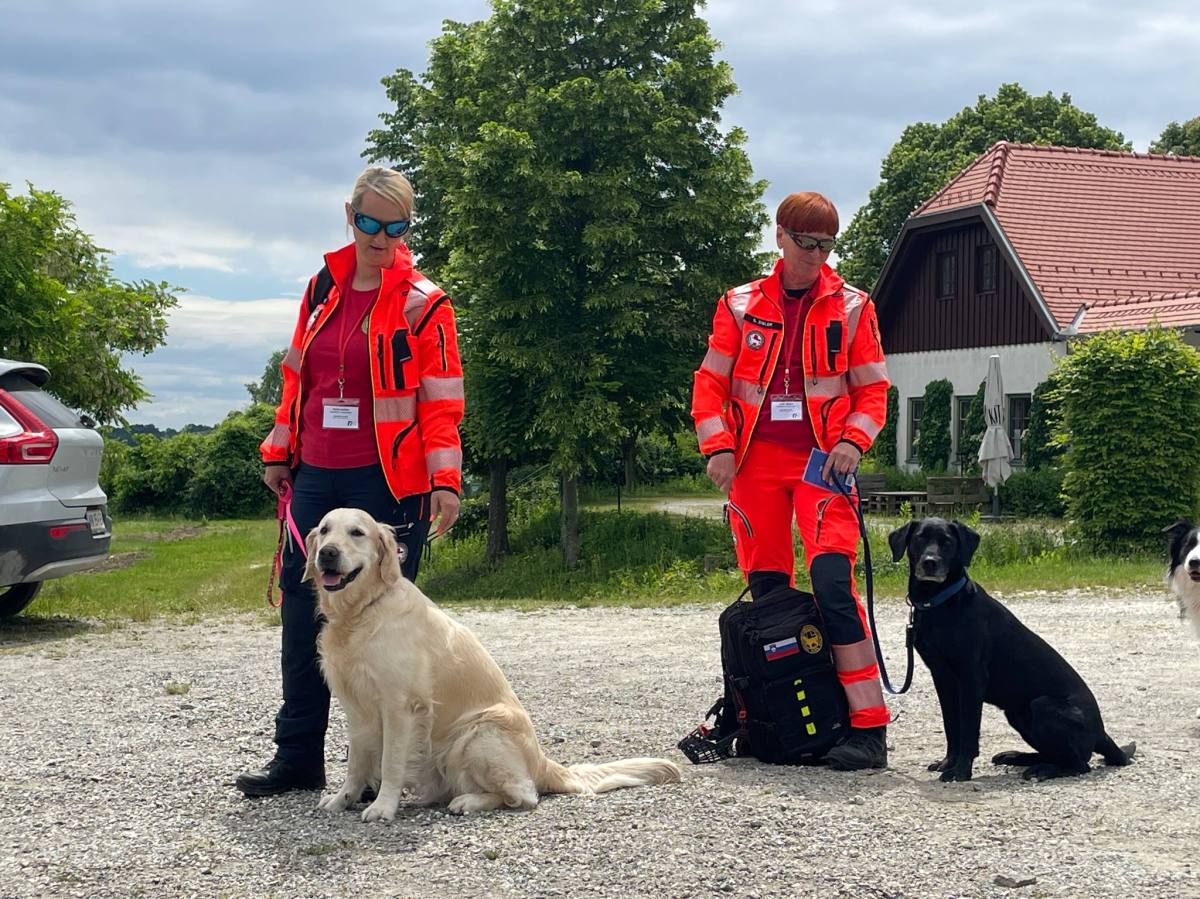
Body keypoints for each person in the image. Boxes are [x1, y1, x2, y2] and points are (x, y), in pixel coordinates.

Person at [236, 166, 464, 797]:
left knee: (386, 630)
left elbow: (442, 401)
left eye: (396, 227)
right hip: (315, 476)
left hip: (388, 479)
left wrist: (445, 477)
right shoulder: (322, 288)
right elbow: (296, 379)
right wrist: (279, 448)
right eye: (369, 221)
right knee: (304, 618)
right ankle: (298, 758)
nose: (380, 237)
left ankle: (388, 777)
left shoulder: (425, 301)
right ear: (349, 213)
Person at [691, 191, 891, 770]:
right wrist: (718, 447)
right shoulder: (739, 304)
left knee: (833, 584)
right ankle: (784, 717)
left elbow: (873, 390)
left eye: (827, 246)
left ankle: (868, 728)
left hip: (823, 463)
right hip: (754, 465)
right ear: (780, 236)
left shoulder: (854, 307)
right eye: (807, 243)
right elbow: (710, 384)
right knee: (770, 596)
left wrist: (853, 441)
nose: (816, 255)